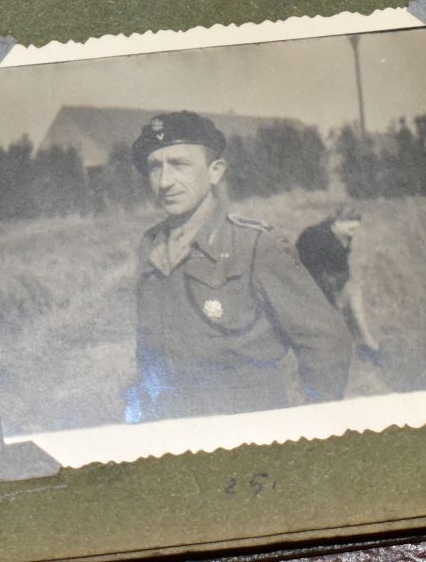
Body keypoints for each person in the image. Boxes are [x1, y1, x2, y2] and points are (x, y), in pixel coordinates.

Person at [125, 112, 352, 422]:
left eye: (179, 164)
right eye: (155, 167)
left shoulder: (255, 245)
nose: (165, 181)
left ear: (215, 171)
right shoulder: (150, 246)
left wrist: (309, 428)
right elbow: (149, 352)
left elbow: (326, 340)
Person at [295, 205, 383, 362]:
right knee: (348, 297)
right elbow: (309, 270)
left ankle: (364, 339)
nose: (353, 233)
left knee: (353, 290)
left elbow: (343, 269)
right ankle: (364, 341)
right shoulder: (314, 236)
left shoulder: (342, 236)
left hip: (329, 284)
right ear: (338, 221)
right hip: (307, 285)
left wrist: (339, 284)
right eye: (351, 229)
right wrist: (335, 294)